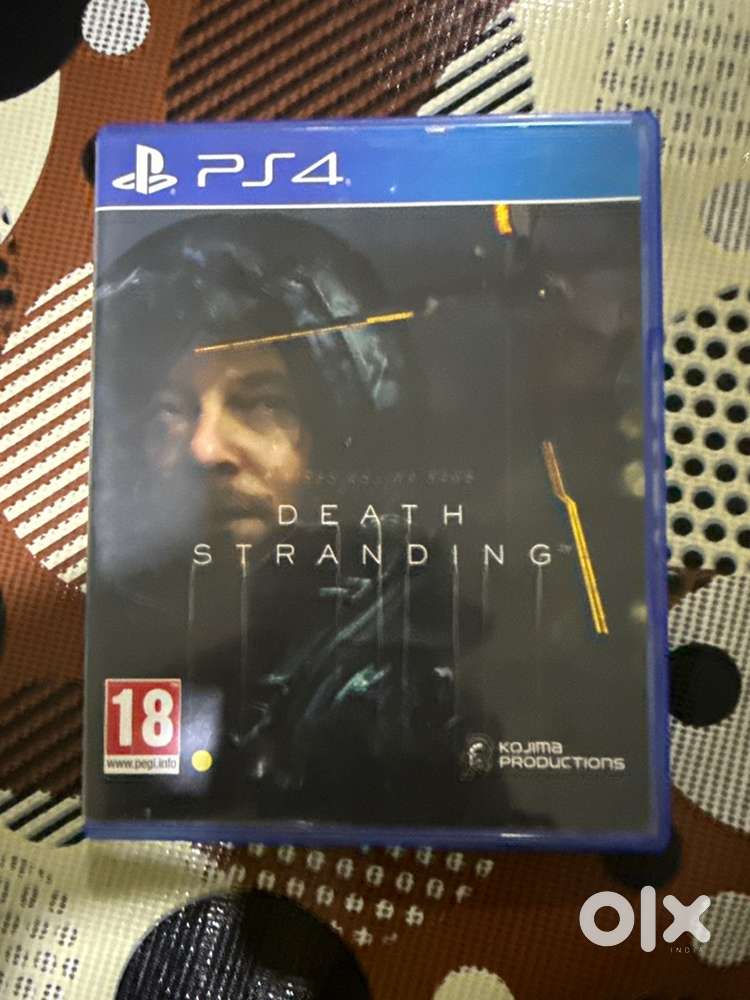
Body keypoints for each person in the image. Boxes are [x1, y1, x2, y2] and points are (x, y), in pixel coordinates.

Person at [91, 213, 477, 828]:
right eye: (171, 409)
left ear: (342, 433)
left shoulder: (406, 672)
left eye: (263, 403)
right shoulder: (121, 621)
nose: (205, 448)